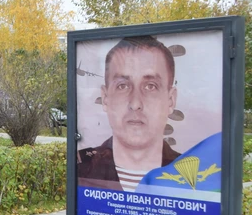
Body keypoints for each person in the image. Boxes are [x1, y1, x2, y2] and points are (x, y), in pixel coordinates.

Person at [77, 36, 180, 192]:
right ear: (105, 98)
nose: (135, 104)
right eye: (123, 86)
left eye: (150, 86)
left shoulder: (197, 175)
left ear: (170, 100)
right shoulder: (80, 167)